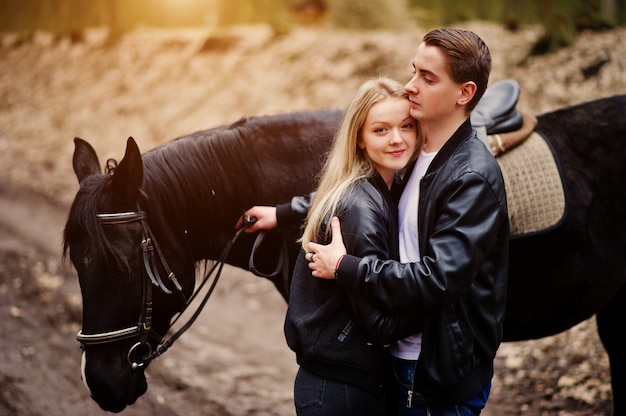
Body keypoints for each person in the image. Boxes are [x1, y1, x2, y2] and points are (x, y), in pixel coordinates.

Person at [241, 28, 509, 415]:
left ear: (464, 93)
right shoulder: (417, 153)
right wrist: (283, 212)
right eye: (413, 71)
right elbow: (361, 185)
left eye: (427, 78)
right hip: (401, 366)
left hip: (432, 374)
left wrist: (345, 267)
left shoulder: (470, 176)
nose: (411, 85)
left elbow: (439, 279)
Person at [281, 76, 422, 415]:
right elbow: (379, 324)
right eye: (381, 130)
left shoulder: (369, 188)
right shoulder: (361, 207)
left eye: (406, 126)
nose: (397, 139)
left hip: (335, 380)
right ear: (358, 138)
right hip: (341, 390)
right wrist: (444, 300)